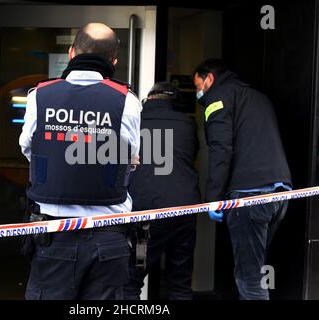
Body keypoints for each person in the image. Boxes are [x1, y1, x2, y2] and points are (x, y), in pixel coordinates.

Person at [19, 23, 142, 300]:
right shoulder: (128, 100)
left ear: (72, 52)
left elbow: (28, 148)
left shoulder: (40, 95)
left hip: (55, 234)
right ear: (113, 62)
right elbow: (131, 159)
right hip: (108, 237)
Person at [193, 58, 292, 300]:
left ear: (210, 79)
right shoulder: (258, 97)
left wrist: (213, 198)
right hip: (280, 194)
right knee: (253, 270)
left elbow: (221, 150)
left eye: (199, 85)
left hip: (250, 196)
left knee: (249, 278)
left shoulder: (217, 100)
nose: (199, 92)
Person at [124, 82, 201, 300]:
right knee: (181, 282)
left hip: (146, 216)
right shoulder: (188, 124)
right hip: (184, 213)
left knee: (132, 279)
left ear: (148, 100)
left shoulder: (135, 122)